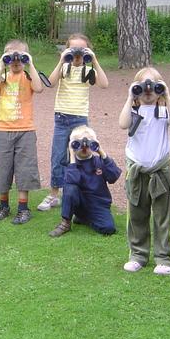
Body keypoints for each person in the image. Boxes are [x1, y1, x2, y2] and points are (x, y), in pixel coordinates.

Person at [119, 67, 170, 275]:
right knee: (137, 215)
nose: (148, 90)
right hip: (137, 171)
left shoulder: (163, 111)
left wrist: (167, 96)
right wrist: (131, 97)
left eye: (154, 86)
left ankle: (164, 257)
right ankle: (138, 255)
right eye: (142, 85)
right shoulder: (133, 111)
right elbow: (122, 124)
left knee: (162, 217)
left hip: (159, 171)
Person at [40, 33, 109, 212]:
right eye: (73, 49)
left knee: (82, 155)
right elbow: (50, 83)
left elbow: (104, 84)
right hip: (61, 117)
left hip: (80, 119)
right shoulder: (64, 68)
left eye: (82, 50)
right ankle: (54, 194)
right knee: (58, 157)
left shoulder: (89, 71)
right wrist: (62, 60)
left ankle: (78, 191)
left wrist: (94, 60)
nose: (77, 54)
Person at [0, 39, 44, 224]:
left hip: (25, 130)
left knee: (24, 168)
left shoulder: (28, 76)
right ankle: (3, 205)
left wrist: (30, 64)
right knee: (2, 168)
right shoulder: (2, 77)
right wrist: (1, 67)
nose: (16, 60)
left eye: (20, 56)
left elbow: (39, 88)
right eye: (11, 56)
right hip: (4, 130)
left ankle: (23, 208)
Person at [48, 126, 121, 237]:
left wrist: (101, 152)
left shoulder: (99, 161)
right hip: (79, 203)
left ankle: (84, 218)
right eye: (78, 143)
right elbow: (72, 181)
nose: (84, 146)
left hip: (98, 204)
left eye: (89, 143)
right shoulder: (70, 165)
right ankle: (65, 223)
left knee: (108, 228)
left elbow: (113, 177)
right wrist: (72, 155)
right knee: (70, 187)